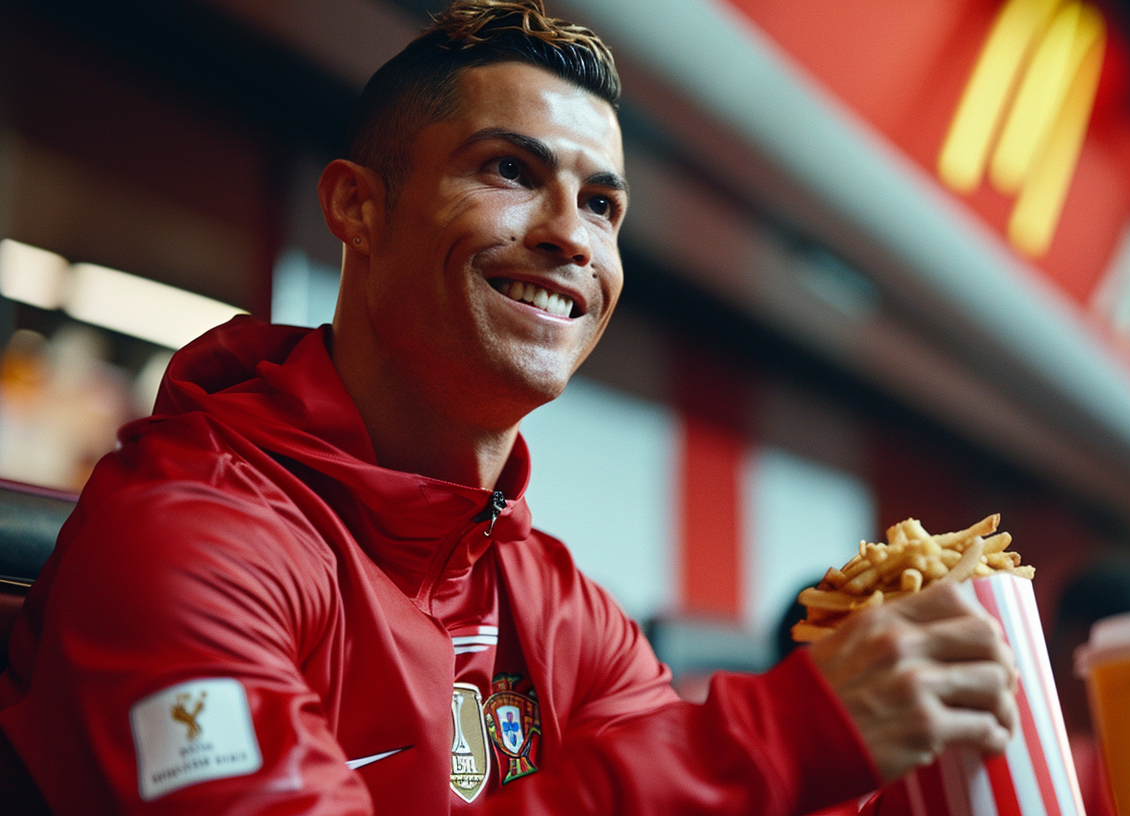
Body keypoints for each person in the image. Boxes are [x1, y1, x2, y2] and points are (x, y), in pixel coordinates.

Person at [0, 2, 1018, 813]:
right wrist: (787, 738)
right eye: (510, 171)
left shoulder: (555, 599)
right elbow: (726, 767)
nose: (572, 236)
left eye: (603, 205)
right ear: (358, 205)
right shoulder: (189, 537)